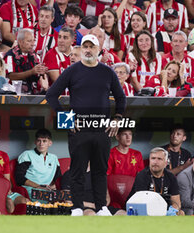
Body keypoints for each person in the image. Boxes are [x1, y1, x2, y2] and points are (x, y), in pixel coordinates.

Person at [46, 34, 126, 216]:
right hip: (79, 130)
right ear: (81, 49)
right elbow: (51, 95)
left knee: (100, 170)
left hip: (102, 129)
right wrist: (65, 119)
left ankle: (101, 207)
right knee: (77, 170)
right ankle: (76, 207)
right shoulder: (72, 70)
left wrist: (117, 118)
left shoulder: (107, 72)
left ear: (99, 49)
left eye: (92, 46)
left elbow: (121, 98)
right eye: (85, 46)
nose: (88, 50)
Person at [128, 147, 184, 215]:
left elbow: (177, 202)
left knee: (181, 213)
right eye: (153, 158)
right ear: (149, 160)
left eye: (159, 159)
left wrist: (171, 212)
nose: (155, 162)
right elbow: (141, 203)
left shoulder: (171, 177)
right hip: (146, 211)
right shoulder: (142, 176)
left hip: (165, 210)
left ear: (165, 163)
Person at [61, 162, 126, 216]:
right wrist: (92, 205)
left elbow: (107, 198)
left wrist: (101, 206)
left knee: (124, 214)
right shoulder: (69, 174)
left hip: (100, 207)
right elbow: (68, 200)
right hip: (82, 208)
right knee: (91, 214)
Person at [14, 129, 61, 198]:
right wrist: (38, 186)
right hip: (31, 189)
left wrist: (54, 187)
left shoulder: (54, 158)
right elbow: (19, 178)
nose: (41, 144)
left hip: (48, 190)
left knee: (69, 197)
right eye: (39, 141)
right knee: (51, 199)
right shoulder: (27, 155)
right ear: (35, 142)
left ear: (50, 143)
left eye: (44, 141)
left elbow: (58, 178)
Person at [4, 28, 48, 94]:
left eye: (34, 41)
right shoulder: (10, 56)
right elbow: (10, 76)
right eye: (29, 41)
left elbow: (40, 76)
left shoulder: (35, 56)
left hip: (33, 94)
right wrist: (31, 72)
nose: (33, 44)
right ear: (20, 41)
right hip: (14, 95)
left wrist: (42, 72)